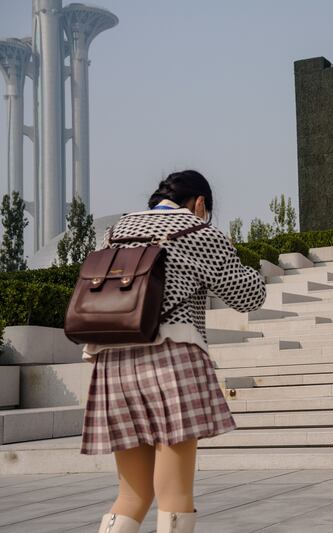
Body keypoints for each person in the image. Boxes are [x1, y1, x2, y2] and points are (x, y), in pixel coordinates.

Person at [81, 171, 267, 533]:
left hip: (113, 363)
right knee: (175, 495)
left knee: (131, 495)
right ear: (199, 203)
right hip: (172, 358)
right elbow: (248, 296)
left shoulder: (116, 231)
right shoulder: (199, 233)